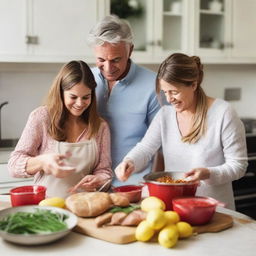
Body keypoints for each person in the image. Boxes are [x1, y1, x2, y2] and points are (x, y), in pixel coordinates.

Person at [114, 53, 248, 209]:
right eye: (165, 92)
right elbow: (145, 148)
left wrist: (207, 173)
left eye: (174, 92)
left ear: (193, 84)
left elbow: (238, 166)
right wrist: (129, 162)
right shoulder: (165, 114)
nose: (169, 99)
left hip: (215, 211)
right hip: (174, 208)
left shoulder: (223, 113)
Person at [8, 60, 113, 198]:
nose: (80, 103)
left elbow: (104, 170)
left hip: (83, 207)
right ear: (61, 93)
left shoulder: (100, 126)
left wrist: (99, 179)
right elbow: (13, 165)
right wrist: (42, 162)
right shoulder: (42, 117)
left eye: (86, 97)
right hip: (46, 207)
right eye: (73, 97)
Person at [88, 15, 161, 186]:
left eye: (115, 60)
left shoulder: (154, 85)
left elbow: (160, 145)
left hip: (133, 185)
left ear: (130, 50)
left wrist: (152, 186)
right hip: (90, 183)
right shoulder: (85, 80)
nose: (108, 68)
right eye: (101, 60)